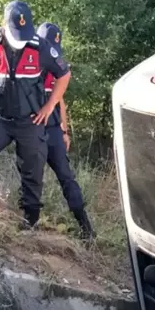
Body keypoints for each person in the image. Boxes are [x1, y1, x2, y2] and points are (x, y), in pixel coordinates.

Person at [0, 0, 71, 229]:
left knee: (34, 168)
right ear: (4, 25)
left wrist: (50, 106)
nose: (20, 39)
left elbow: (64, 74)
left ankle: (30, 222)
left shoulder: (40, 46)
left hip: (30, 120)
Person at [36, 22, 94, 241]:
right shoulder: (28, 63)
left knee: (67, 178)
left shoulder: (55, 67)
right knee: (32, 179)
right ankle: (29, 226)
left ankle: (86, 229)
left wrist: (64, 131)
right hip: (32, 132)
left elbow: (60, 102)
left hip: (52, 131)